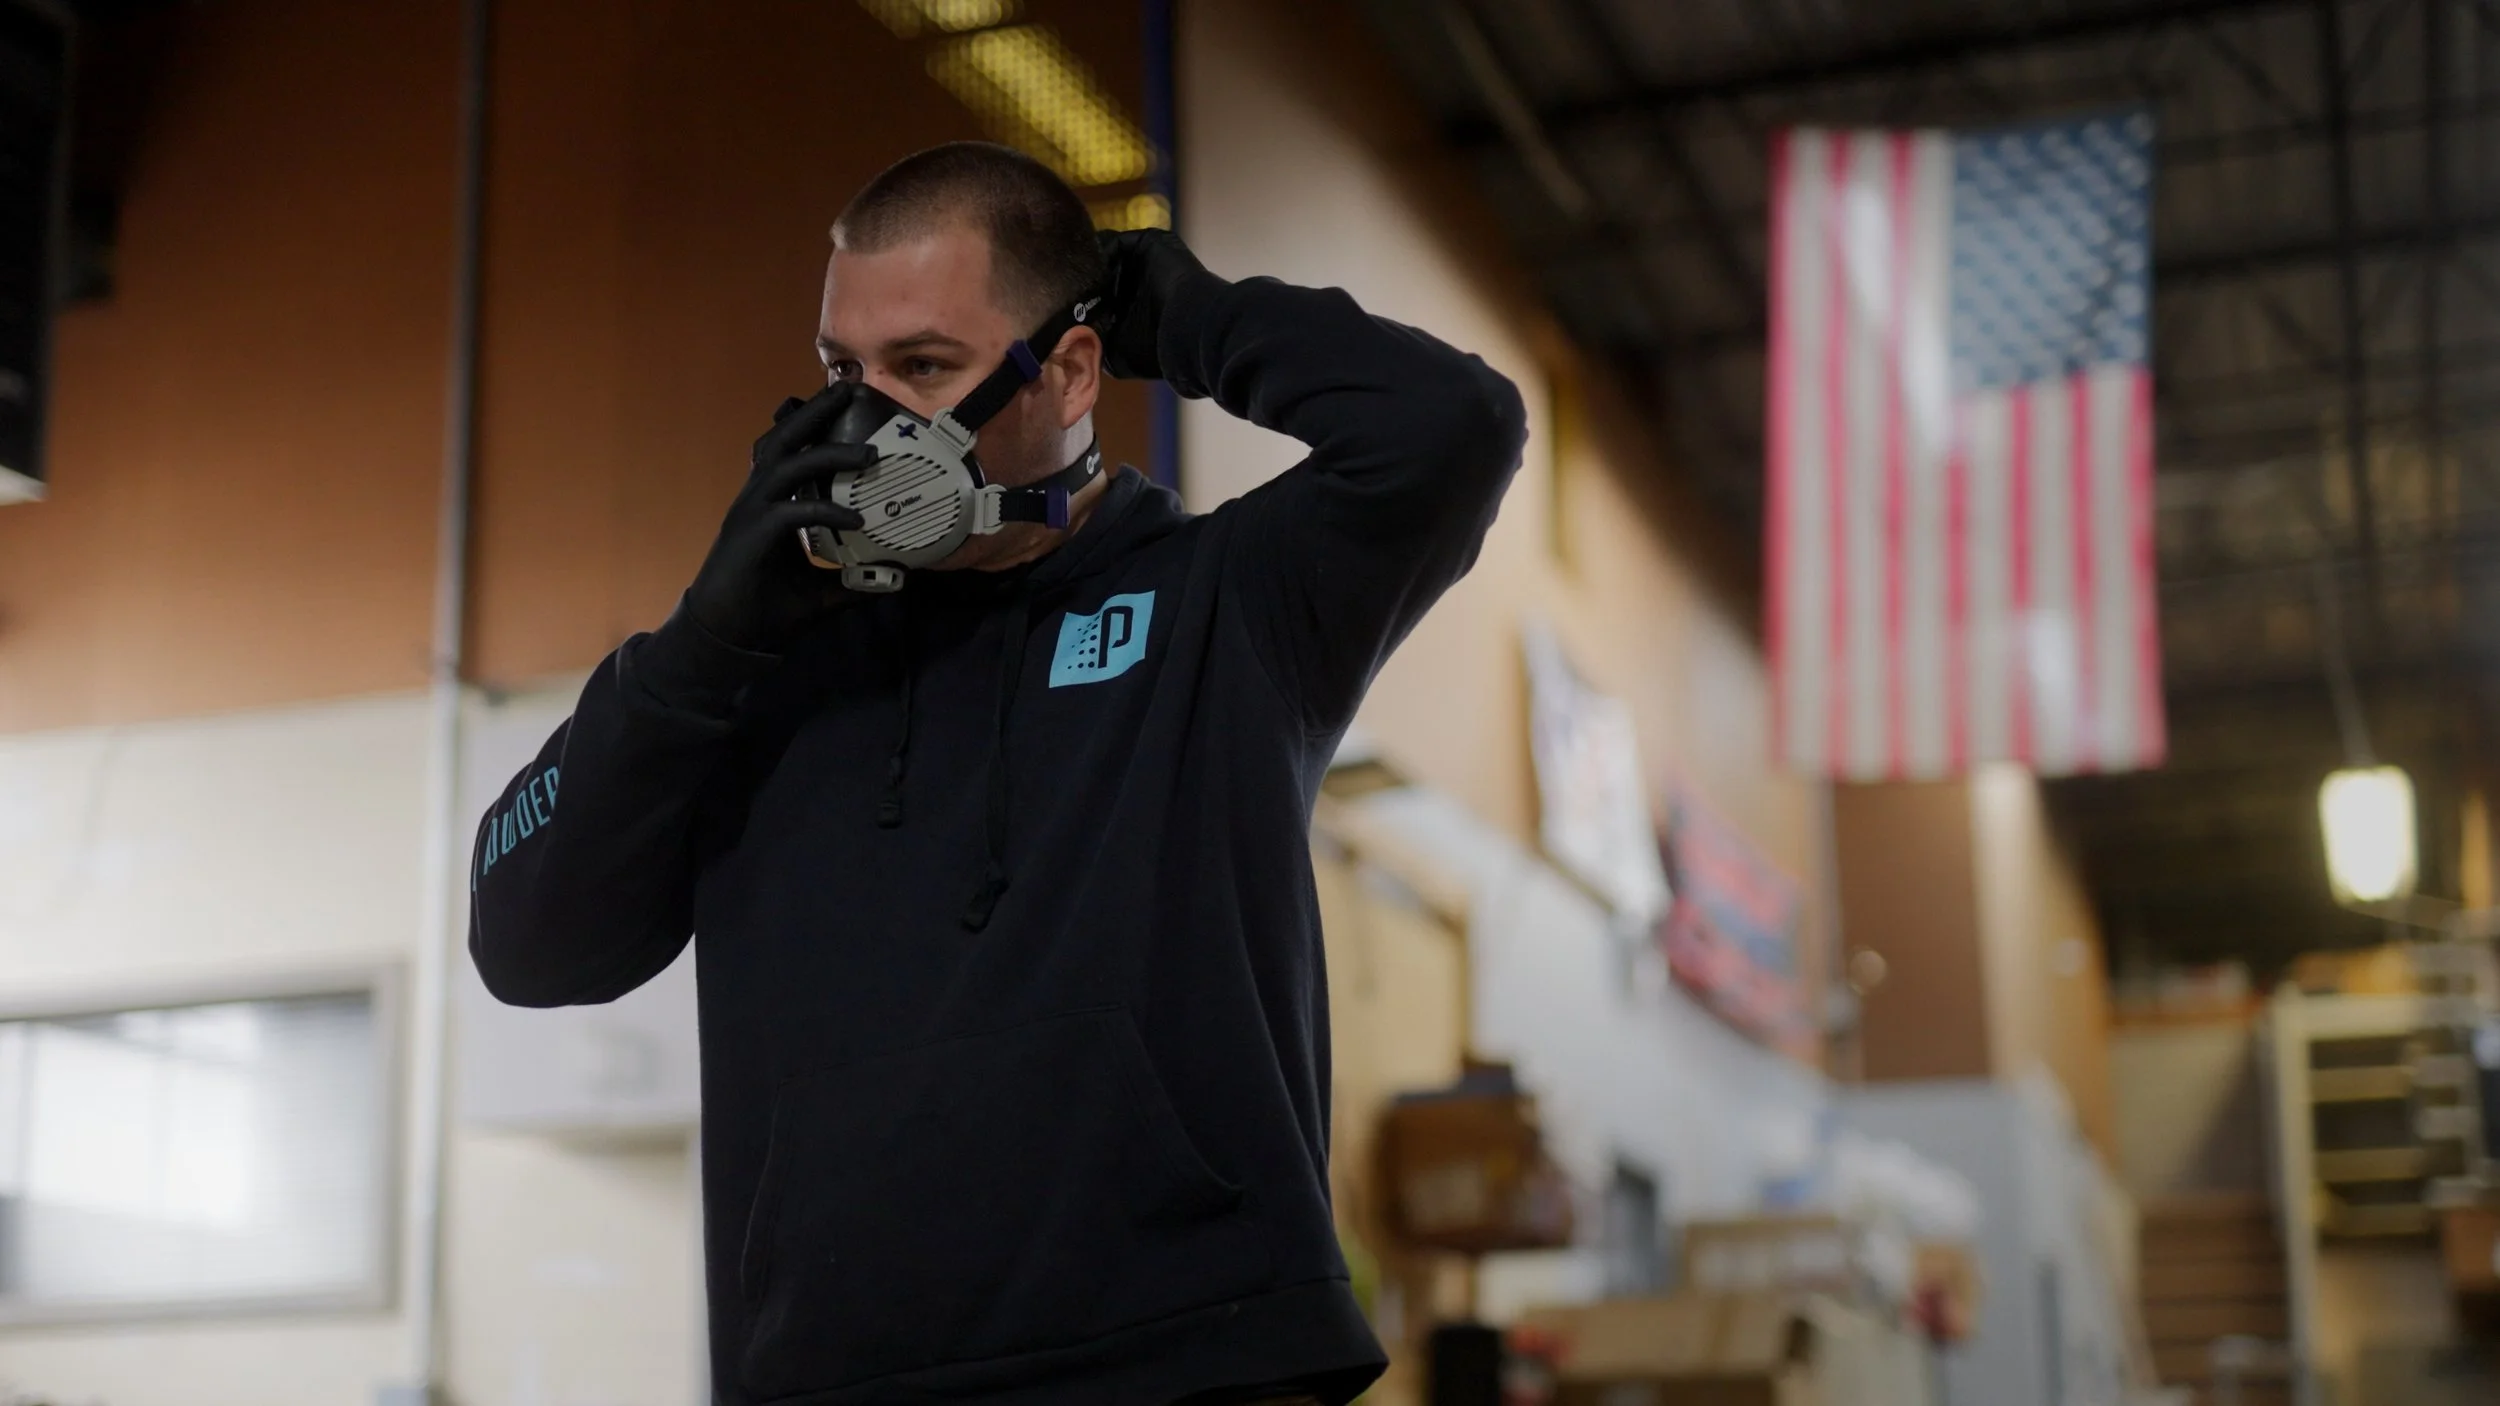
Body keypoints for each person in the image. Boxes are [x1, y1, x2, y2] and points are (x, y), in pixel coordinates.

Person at [469, 141, 1525, 1406]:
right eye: (839, 373)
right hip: (833, 1379)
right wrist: (706, 645)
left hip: (1185, 1364)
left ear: (1069, 369)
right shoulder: (760, 673)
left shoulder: (1224, 608)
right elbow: (526, 943)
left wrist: (1173, 315)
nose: (866, 421)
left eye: (923, 367)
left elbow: (1452, 425)